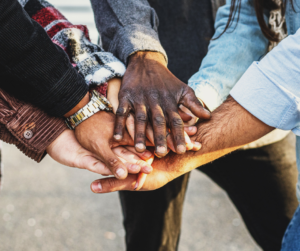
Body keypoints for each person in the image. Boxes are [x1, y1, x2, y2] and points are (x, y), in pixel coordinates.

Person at [91, 0, 300, 250]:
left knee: (284, 230)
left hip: (254, 107)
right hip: (150, 103)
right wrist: (143, 52)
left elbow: (284, 60)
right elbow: (247, 17)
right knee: (150, 241)